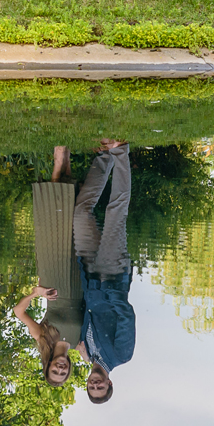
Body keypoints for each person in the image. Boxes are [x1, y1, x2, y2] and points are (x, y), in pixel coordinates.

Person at [72, 140, 138, 403]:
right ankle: (120, 151)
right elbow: (126, 316)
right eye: (101, 387)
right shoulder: (121, 355)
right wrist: (109, 291)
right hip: (112, 274)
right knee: (115, 212)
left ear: (87, 383)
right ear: (110, 383)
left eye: (92, 387)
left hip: (89, 272)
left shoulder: (85, 351)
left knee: (80, 213)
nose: (96, 384)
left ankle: (104, 158)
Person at [17, 145, 84, 384]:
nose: (60, 369)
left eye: (55, 371)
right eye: (63, 373)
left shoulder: (43, 339)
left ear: (48, 367)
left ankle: (58, 163)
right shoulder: (79, 344)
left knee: (55, 226)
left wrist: (36, 293)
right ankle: (66, 163)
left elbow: (18, 312)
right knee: (74, 227)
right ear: (69, 370)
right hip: (77, 282)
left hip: (54, 279)